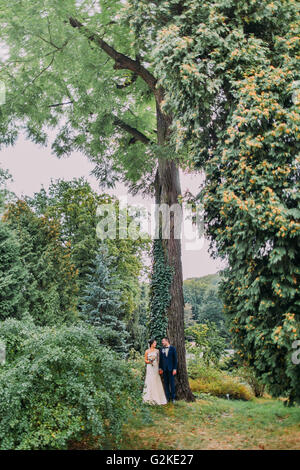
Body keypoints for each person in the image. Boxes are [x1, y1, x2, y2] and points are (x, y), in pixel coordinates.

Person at [142, 339, 168, 405]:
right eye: (154, 343)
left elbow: (159, 360)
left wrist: (159, 368)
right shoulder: (147, 351)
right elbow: (145, 360)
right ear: (151, 344)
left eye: (155, 343)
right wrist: (149, 361)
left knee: (156, 380)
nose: (155, 344)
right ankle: (148, 398)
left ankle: (158, 398)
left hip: (155, 367)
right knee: (149, 380)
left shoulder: (157, 351)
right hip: (149, 367)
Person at [159, 337, 177, 403]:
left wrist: (175, 368)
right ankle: (167, 398)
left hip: (171, 369)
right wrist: (160, 368)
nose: (162, 343)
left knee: (172, 383)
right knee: (166, 384)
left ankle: (173, 398)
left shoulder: (173, 349)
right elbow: (161, 360)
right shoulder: (162, 349)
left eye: (163, 341)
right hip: (164, 369)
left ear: (167, 341)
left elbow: (175, 360)